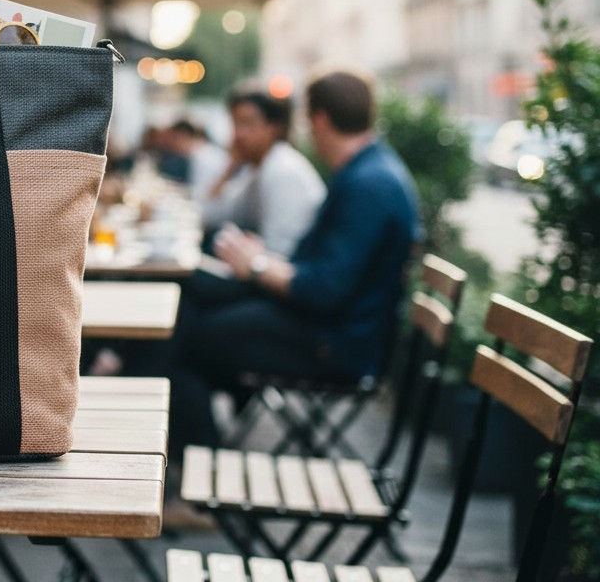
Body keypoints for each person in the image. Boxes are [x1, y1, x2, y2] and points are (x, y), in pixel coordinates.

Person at [141, 70, 420, 451]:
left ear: (319, 119)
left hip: (336, 346)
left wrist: (257, 265)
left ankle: (196, 467)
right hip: (336, 329)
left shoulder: (368, 184)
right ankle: (197, 456)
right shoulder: (372, 171)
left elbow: (323, 290)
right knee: (189, 315)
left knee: (182, 337)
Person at [200, 85, 325, 256]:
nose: (238, 134)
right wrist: (230, 167)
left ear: (274, 128)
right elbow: (211, 214)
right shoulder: (259, 168)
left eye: (248, 123)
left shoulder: (281, 170)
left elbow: (281, 252)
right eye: (235, 124)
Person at [160, 119, 228, 199]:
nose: (170, 144)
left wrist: (176, 190)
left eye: (173, 139)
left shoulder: (204, 158)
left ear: (182, 136)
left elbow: (205, 194)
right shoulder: (199, 154)